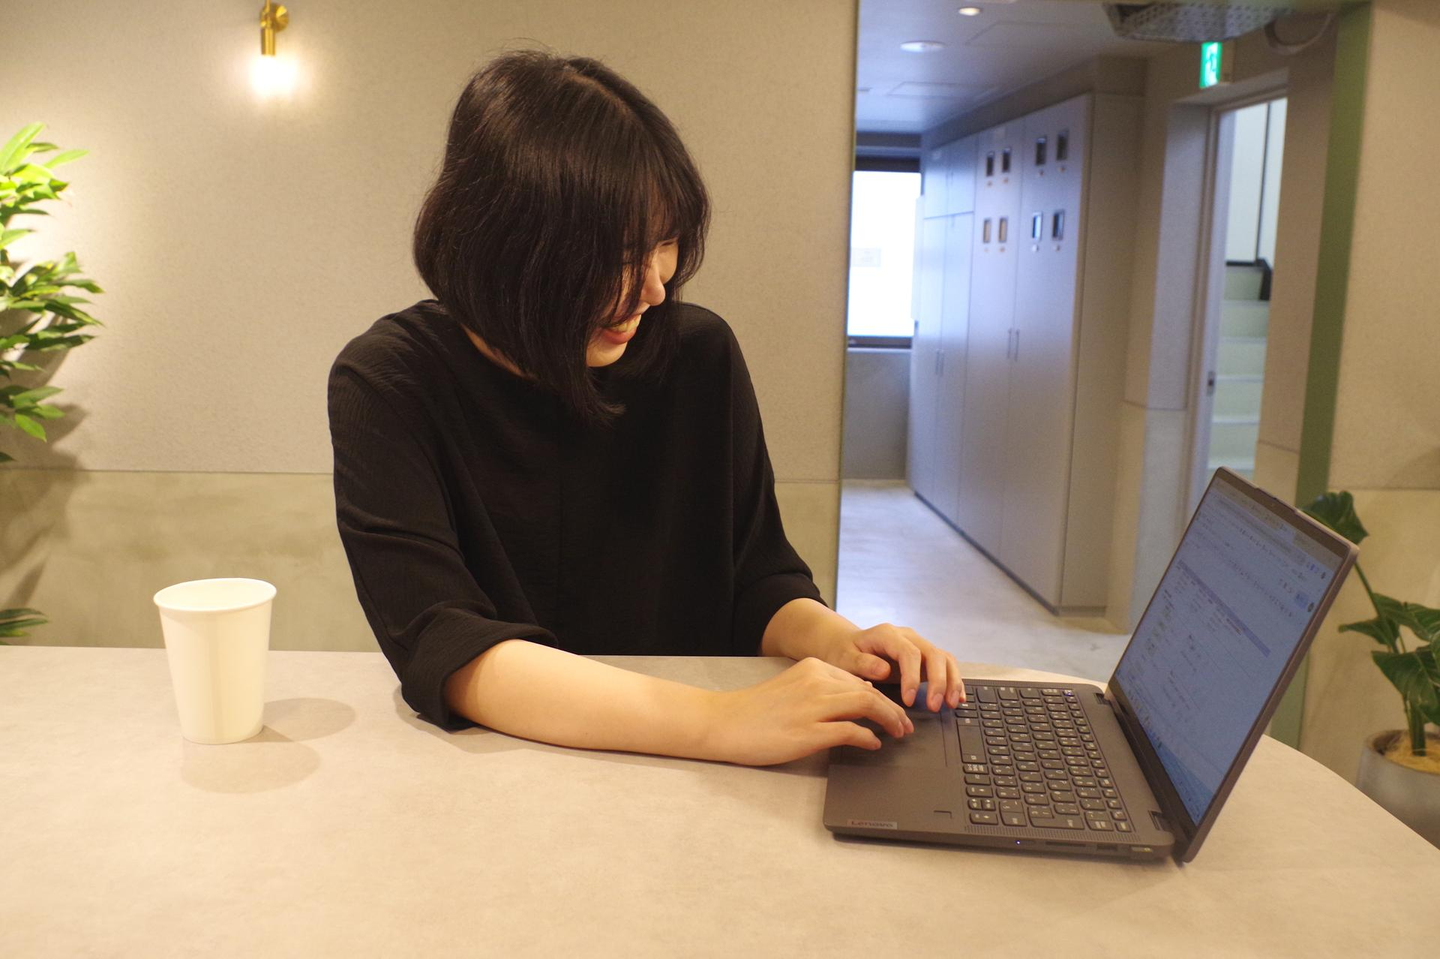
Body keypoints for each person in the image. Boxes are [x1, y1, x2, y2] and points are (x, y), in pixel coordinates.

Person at [327, 49, 966, 767]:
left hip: (691, 774)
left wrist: (840, 641)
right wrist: (720, 720)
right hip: (502, 771)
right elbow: (447, 647)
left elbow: (757, 578)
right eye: (617, 255)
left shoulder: (696, 353)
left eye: (664, 243)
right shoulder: (389, 381)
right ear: (506, 245)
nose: (655, 287)